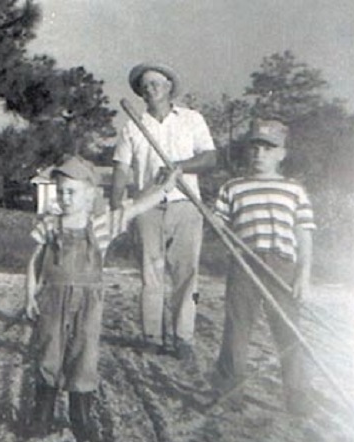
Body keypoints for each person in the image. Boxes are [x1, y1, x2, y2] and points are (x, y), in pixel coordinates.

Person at [24, 155, 180, 442]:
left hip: (88, 301)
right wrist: (29, 294)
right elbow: (34, 262)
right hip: (53, 299)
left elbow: (135, 208)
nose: (65, 198)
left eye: (72, 192)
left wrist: (164, 188)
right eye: (60, 192)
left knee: (84, 354)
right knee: (49, 351)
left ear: (89, 195)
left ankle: (80, 418)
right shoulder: (49, 223)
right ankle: (41, 415)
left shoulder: (100, 226)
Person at [110, 63, 216, 361]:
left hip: (186, 205)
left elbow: (210, 158)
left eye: (157, 83)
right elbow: (121, 169)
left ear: (169, 86)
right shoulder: (132, 125)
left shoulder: (192, 119)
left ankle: (183, 337)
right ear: (140, 92)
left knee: (186, 274)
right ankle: (152, 336)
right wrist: (117, 206)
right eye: (146, 85)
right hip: (147, 207)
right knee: (151, 273)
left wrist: (179, 168)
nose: (151, 88)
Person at [212, 119, 315, 415]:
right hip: (244, 262)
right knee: (237, 328)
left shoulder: (293, 190)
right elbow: (220, 224)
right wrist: (215, 221)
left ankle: (297, 398)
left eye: (268, 148)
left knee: (288, 330)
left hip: (281, 264)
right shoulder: (233, 187)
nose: (259, 154)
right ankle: (230, 394)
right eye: (255, 147)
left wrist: (303, 274)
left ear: (281, 153)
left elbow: (304, 233)